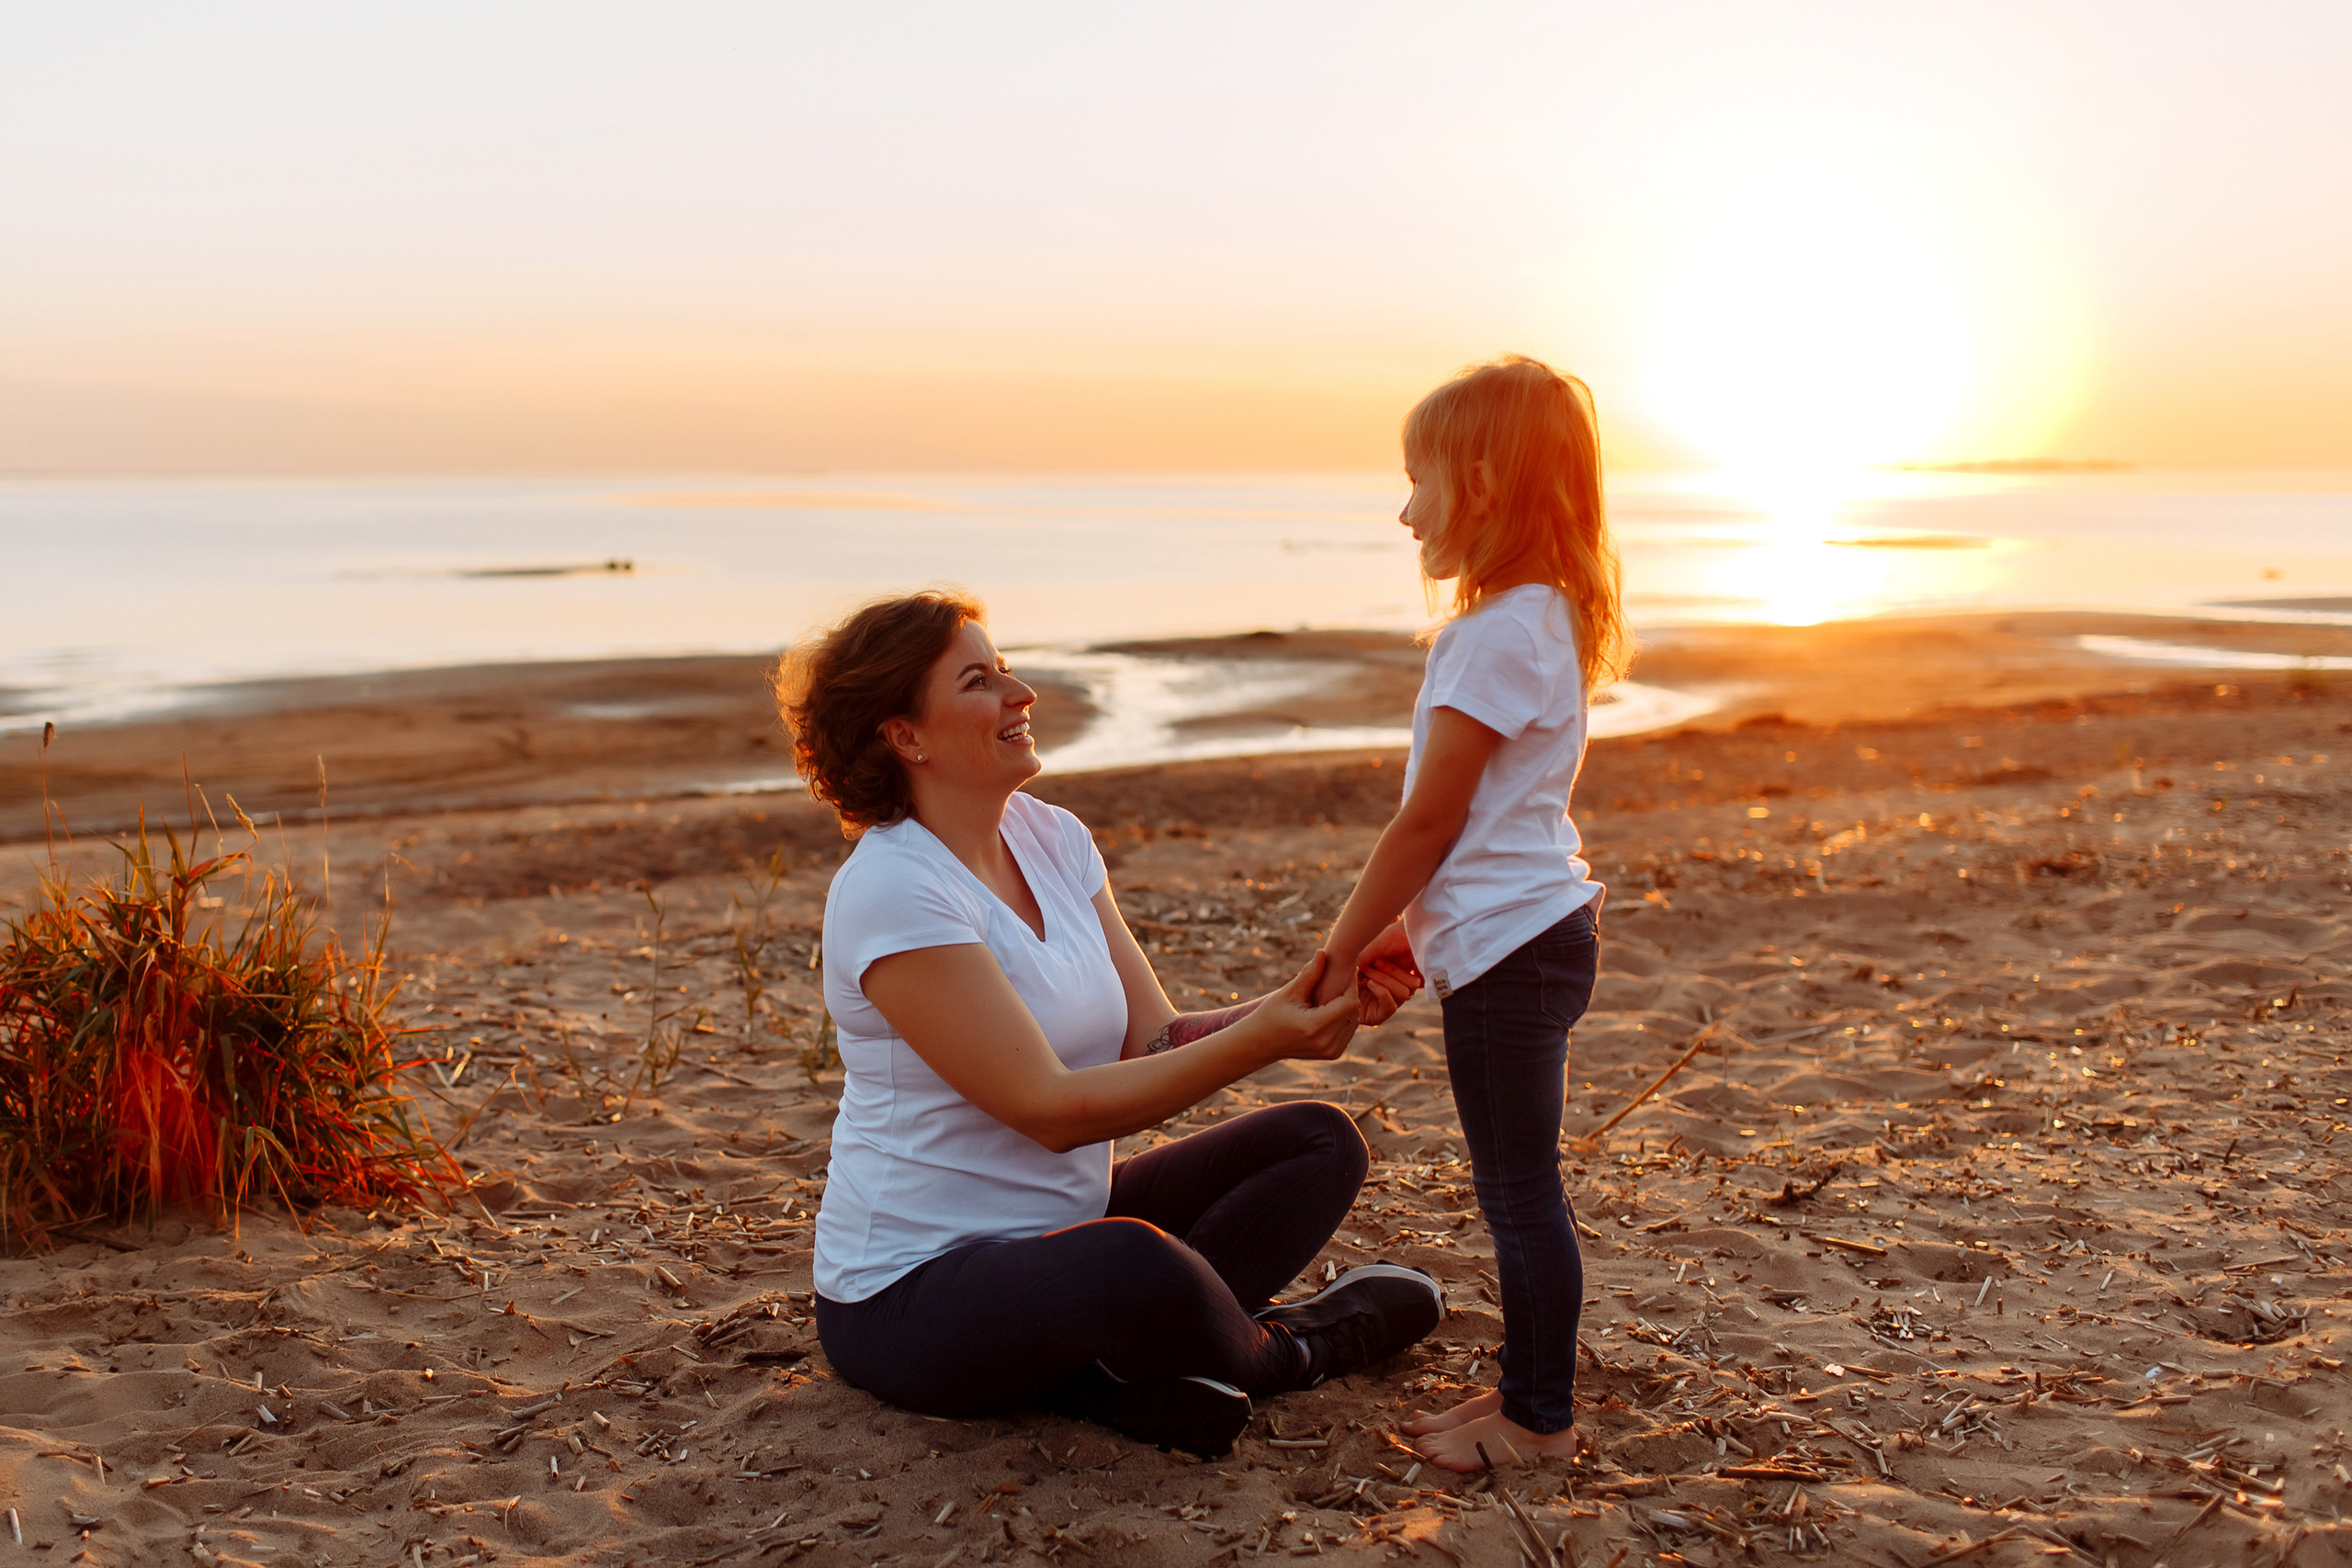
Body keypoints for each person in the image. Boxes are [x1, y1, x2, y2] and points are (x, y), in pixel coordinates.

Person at [775, 590, 1444, 1459]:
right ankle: (1288, 1349)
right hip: (910, 1295)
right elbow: (1050, 1111)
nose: (1022, 693)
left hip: (1063, 1232)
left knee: (1319, 1143)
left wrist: (1316, 992)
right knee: (1131, 1261)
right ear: (906, 735)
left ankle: (1120, 1365)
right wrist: (1269, 1038)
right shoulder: (893, 888)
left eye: (1004, 668)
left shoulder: (1052, 838)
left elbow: (1153, 1040)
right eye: (980, 681)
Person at [1311, 355, 1635, 1471]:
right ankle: (1525, 1393)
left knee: (1517, 1193)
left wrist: (1339, 947)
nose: (1405, 512)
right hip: (1526, 929)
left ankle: (1538, 1420)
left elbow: (1428, 823)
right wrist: (1413, 932)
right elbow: (1495, 821)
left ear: (1485, 483)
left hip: (1515, 948)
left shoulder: (1492, 633)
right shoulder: (1540, 616)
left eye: (1419, 480)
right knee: (1518, 1187)